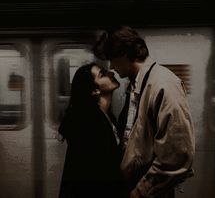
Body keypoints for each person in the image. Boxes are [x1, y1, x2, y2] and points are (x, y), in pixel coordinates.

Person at [93, 26, 195, 198]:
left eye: (112, 59)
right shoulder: (136, 84)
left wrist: (140, 192)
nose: (111, 66)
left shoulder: (163, 84)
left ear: (124, 54)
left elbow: (176, 155)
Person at [58, 62, 122, 198]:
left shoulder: (106, 117)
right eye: (102, 74)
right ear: (95, 91)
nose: (111, 73)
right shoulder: (90, 124)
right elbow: (95, 176)